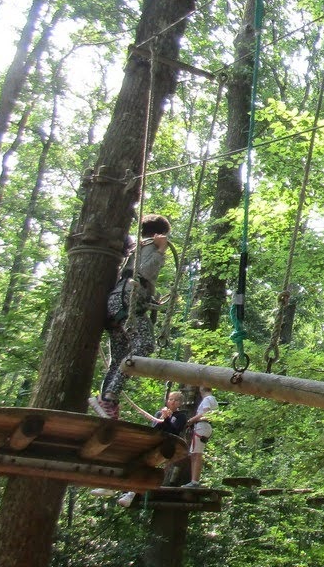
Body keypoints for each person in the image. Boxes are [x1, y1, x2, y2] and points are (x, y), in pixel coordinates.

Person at [90, 214, 171, 420]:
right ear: (158, 234)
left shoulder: (136, 248)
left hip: (118, 301)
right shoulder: (149, 246)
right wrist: (161, 249)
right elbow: (145, 271)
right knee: (144, 345)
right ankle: (110, 397)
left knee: (119, 357)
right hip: (129, 301)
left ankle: (106, 402)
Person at [117, 391, 188, 507]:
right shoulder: (159, 412)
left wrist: (168, 419)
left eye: (176, 400)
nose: (172, 402)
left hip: (166, 446)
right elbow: (155, 428)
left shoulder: (181, 417)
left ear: (180, 403)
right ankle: (125, 490)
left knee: (148, 465)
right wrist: (163, 417)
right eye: (171, 399)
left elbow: (175, 431)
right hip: (153, 442)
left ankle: (131, 493)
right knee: (137, 461)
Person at [183, 386, 217, 487]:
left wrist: (191, 420)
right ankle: (194, 480)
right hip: (205, 427)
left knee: (196, 454)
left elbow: (205, 414)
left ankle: (194, 482)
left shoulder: (207, 399)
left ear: (202, 389)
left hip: (202, 426)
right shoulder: (213, 399)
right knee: (195, 454)